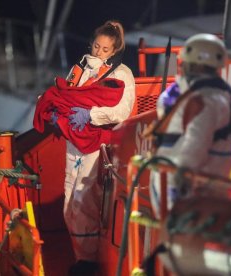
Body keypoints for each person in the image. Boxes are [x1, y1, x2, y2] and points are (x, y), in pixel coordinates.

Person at [61, 20, 135, 275]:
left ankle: (89, 262)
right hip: (74, 142)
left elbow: (122, 111)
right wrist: (55, 111)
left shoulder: (121, 74)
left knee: (84, 203)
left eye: (105, 49)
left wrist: (90, 115)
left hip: (97, 144)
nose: (99, 52)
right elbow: (66, 95)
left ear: (114, 50)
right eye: (96, 46)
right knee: (69, 203)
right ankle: (80, 256)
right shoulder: (80, 68)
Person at [149, 33, 231, 218]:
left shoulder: (204, 100)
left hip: (187, 194)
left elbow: (194, 148)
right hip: (202, 191)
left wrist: (176, 178)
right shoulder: (218, 97)